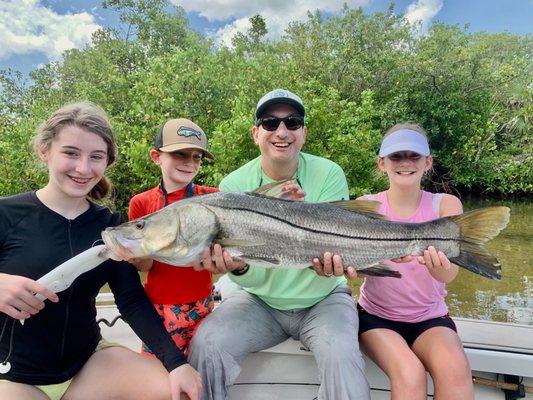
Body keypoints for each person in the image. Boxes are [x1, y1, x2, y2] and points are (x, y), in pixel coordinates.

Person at [0, 102, 201, 400]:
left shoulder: (110, 225)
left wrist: (176, 364)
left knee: (176, 392)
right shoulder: (7, 213)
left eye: (96, 157)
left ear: (107, 161)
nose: (83, 168)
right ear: (45, 151)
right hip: (14, 375)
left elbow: (131, 300)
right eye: (70, 153)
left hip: (88, 364)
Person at [188, 88, 370, 400]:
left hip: (323, 299)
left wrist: (305, 222)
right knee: (206, 344)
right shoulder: (233, 186)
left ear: (304, 133)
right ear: (255, 133)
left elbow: (328, 254)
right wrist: (241, 267)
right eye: (270, 123)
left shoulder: (329, 173)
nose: (281, 132)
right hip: (258, 301)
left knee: (342, 355)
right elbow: (253, 273)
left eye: (293, 122)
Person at [356, 123, 474, 399]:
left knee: (456, 371)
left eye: (414, 156)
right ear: (381, 163)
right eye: (396, 156)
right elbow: (356, 273)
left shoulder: (446, 205)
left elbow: (449, 277)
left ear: (428, 162)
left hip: (430, 318)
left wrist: (438, 266)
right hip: (376, 318)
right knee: (410, 374)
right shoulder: (366, 205)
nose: (405, 163)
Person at [128, 118, 218, 358]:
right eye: (180, 154)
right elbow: (146, 266)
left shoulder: (212, 198)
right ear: (156, 157)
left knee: (202, 371)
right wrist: (132, 254)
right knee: (161, 376)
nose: (189, 163)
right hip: (160, 309)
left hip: (204, 305)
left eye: (196, 156)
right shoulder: (141, 203)